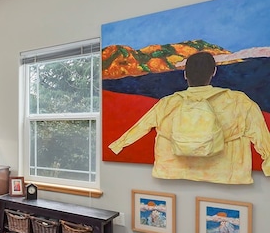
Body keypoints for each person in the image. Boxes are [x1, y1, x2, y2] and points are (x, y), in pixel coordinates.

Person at [109, 51, 270, 184]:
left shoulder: (168, 103)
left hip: (171, 173)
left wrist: (118, 145)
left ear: (185, 75)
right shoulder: (238, 101)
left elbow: (142, 126)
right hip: (227, 175)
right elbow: (261, 135)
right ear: (213, 72)